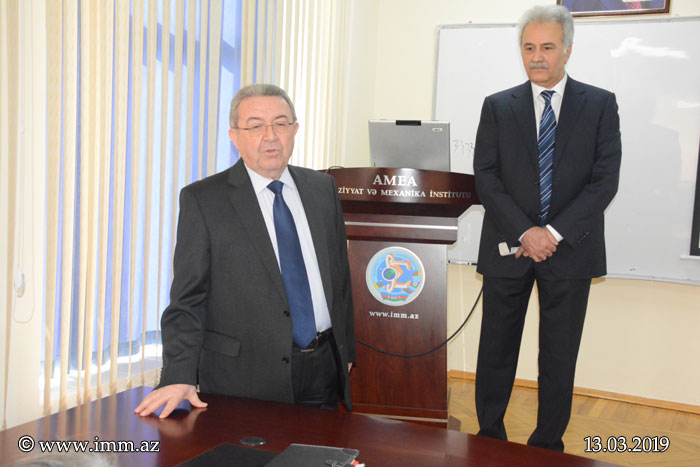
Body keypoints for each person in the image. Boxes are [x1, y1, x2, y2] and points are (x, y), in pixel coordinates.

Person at [135, 84, 355, 418]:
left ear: (295, 130)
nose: (271, 136)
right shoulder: (204, 200)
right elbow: (188, 299)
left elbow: (339, 279)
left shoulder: (322, 189)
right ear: (234, 136)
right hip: (244, 378)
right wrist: (179, 373)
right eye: (255, 126)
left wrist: (345, 350)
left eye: (280, 123)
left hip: (322, 369)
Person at [472, 5, 621, 451]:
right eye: (529, 47)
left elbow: (604, 182)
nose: (537, 57)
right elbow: (486, 177)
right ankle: (490, 437)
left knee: (559, 354)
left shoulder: (600, 104)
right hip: (508, 246)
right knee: (496, 349)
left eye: (548, 47)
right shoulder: (498, 106)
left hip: (570, 250)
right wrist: (526, 232)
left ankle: (547, 445)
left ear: (568, 50)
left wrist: (551, 234)